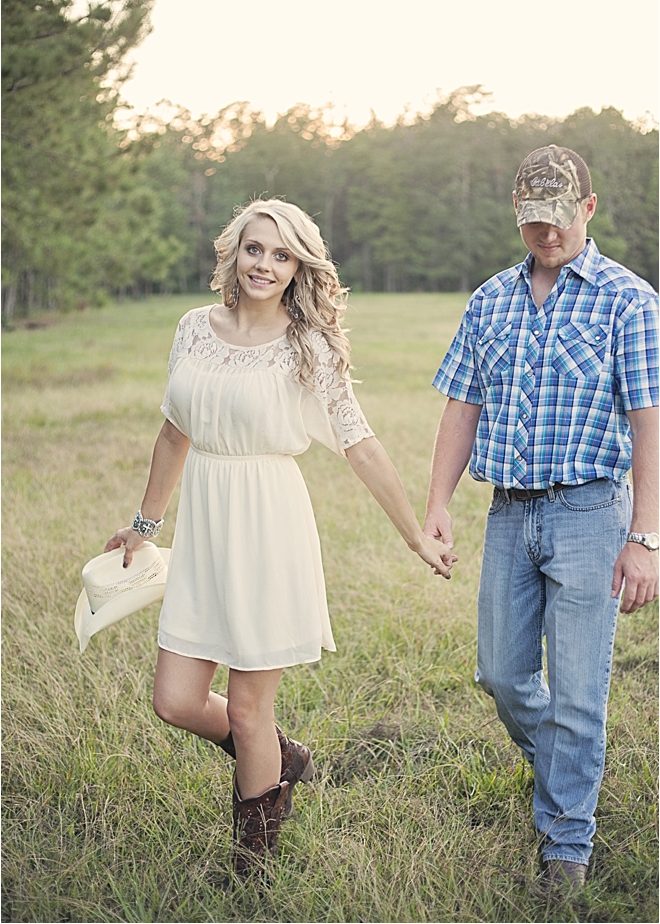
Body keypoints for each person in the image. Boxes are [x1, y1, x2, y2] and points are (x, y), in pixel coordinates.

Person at [105, 198, 455, 877]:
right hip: (206, 524)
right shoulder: (193, 328)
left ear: (300, 267)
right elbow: (174, 431)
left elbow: (361, 445)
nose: (265, 264)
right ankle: (281, 756)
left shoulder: (308, 345)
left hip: (268, 524)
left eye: (282, 253)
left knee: (245, 703)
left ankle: (251, 860)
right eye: (255, 248)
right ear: (234, 252)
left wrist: (415, 534)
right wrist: (145, 526)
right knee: (173, 698)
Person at [423, 145, 658, 893]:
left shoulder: (628, 299)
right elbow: (463, 403)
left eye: (560, 217)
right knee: (500, 671)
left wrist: (645, 536)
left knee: (581, 687)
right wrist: (437, 502)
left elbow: (650, 421)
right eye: (533, 220)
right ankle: (563, 760)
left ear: (587, 209)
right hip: (508, 515)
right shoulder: (490, 300)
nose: (547, 233)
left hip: (592, 512)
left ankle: (566, 843)